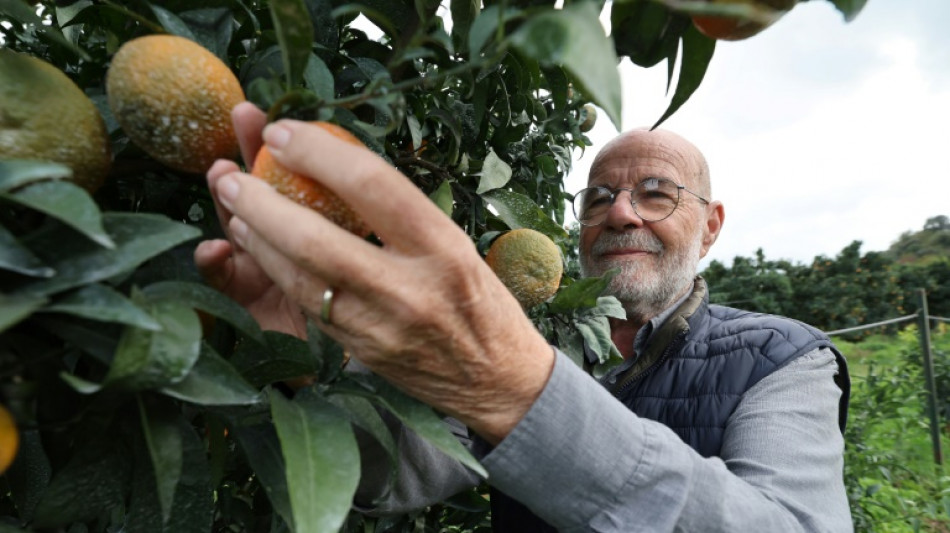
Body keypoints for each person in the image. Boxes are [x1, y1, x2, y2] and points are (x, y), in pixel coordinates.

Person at [195, 102, 852, 532]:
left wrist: (519, 388)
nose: (621, 213)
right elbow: (391, 469)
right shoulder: (539, 342)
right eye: (598, 199)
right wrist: (305, 355)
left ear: (709, 227)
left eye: (656, 193)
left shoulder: (785, 358)